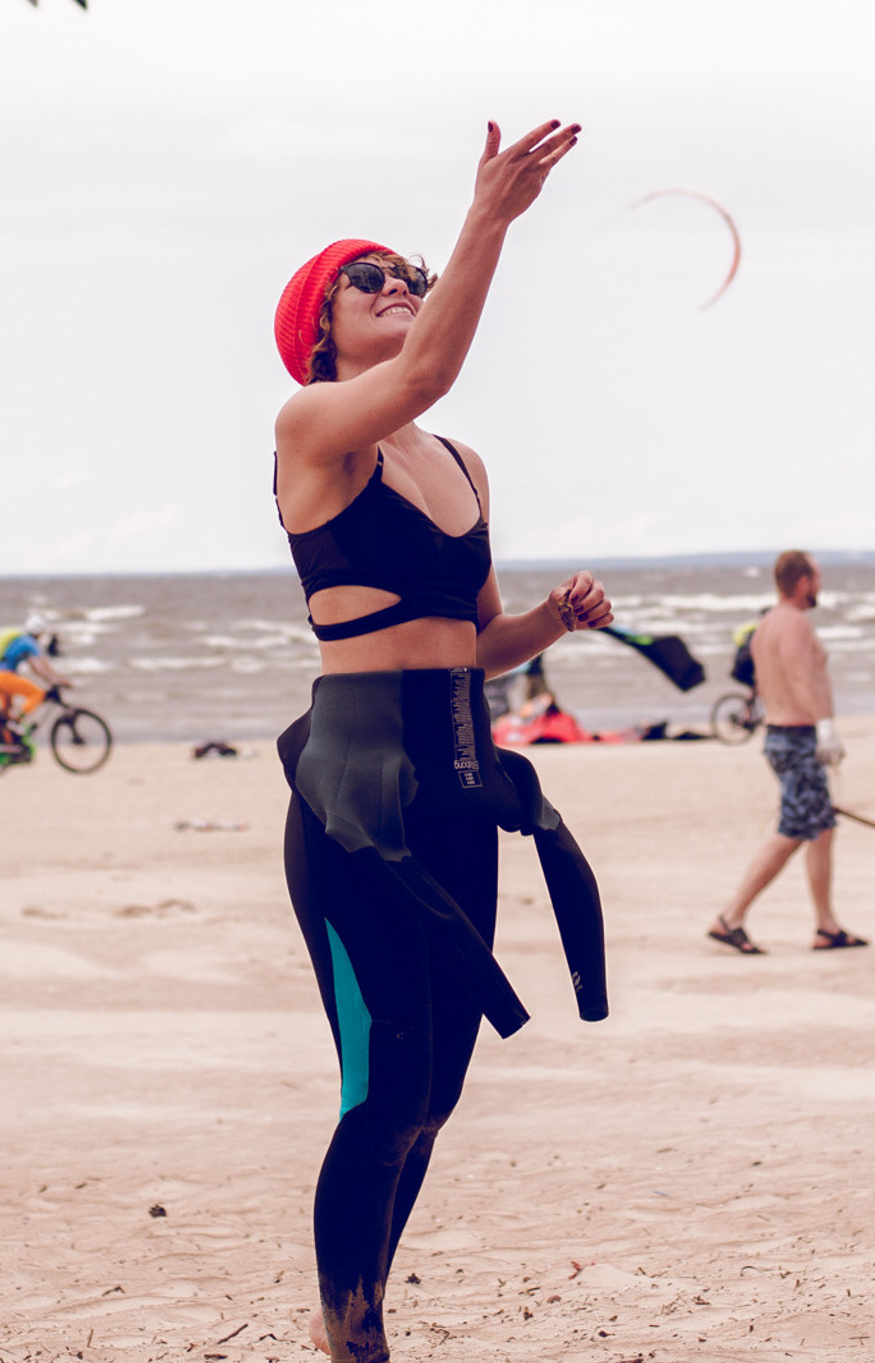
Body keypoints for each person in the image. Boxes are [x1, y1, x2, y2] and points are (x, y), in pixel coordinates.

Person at [271, 120, 611, 1363]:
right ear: (319, 327)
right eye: (371, 277)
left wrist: (551, 624)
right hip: (358, 789)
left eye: (409, 269)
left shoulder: (458, 461)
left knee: (440, 1092)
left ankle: (362, 1310)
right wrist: (488, 219)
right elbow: (421, 374)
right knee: (384, 1081)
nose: (398, 283)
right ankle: (348, 1331)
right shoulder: (313, 424)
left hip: (459, 777)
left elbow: (476, 639)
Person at [708, 549, 862, 954]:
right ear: (804, 581)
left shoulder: (765, 626)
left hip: (783, 736)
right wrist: (824, 726)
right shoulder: (793, 622)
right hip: (796, 738)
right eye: (818, 578)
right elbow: (797, 676)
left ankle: (826, 927)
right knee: (793, 831)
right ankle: (730, 917)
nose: (821, 586)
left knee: (822, 827)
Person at [0, 626, 68, 721]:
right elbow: (41, 665)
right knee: (36, 694)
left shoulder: (19, 641)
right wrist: (57, 680)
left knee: (6, 714)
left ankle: (7, 733)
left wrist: (49, 679)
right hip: (4, 677)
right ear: (38, 633)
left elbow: (34, 668)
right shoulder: (29, 643)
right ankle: (17, 720)